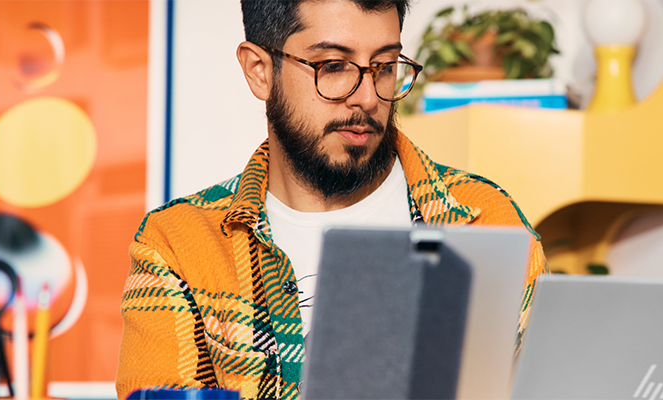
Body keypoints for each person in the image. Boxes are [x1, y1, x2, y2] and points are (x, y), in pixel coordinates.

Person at [116, 1, 546, 399]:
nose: (367, 96)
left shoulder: (486, 220)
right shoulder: (177, 244)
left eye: (384, 65)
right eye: (334, 66)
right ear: (259, 70)